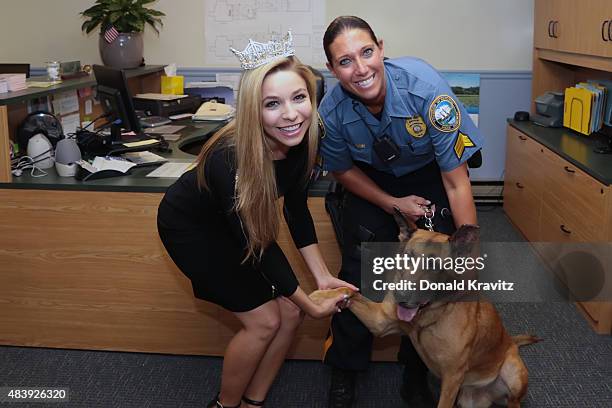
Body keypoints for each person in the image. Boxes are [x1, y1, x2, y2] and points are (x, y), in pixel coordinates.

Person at [157, 34, 355, 408]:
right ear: (252, 109)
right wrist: (313, 304)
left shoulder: (305, 137)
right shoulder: (229, 157)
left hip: (241, 227)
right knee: (265, 321)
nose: (291, 114)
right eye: (272, 104)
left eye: (299, 98)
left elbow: (295, 211)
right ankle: (225, 405)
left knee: (290, 312)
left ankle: (254, 401)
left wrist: (322, 277)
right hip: (194, 229)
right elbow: (258, 245)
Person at [318, 16, 484, 407]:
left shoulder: (426, 92)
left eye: (366, 52)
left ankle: (415, 371)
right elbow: (342, 169)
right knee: (363, 260)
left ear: (381, 47)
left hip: (430, 174)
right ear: (331, 69)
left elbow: (457, 183)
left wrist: (469, 254)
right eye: (345, 61)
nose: (360, 69)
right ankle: (345, 368)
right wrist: (393, 204)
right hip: (371, 181)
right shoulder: (331, 111)